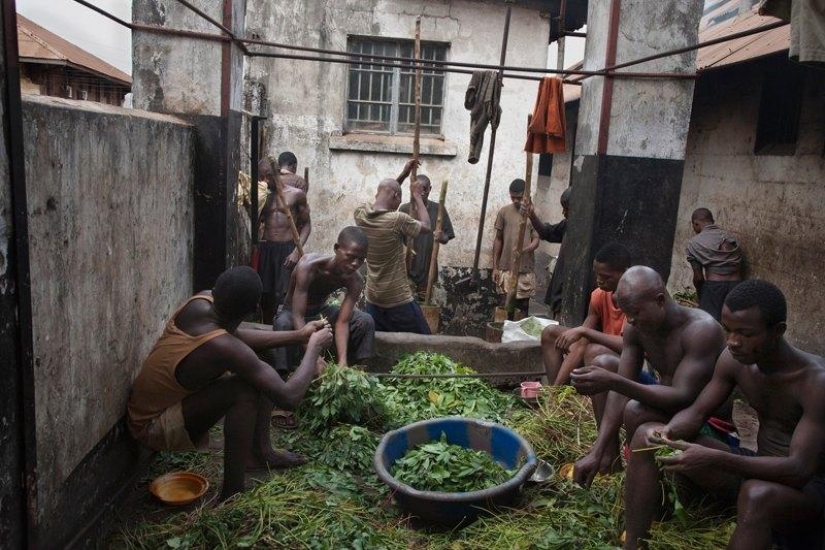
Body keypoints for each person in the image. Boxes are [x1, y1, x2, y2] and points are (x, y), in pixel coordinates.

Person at [624, 280, 825, 550]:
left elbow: (799, 470)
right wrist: (668, 434)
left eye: (745, 333)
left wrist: (714, 457)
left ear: (778, 331)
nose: (732, 342)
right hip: (753, 466)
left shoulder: (815, 383)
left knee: (757, 495)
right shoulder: (734, 361)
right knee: (646, 437)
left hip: (808, 490)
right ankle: (633, 544)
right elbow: (696, 414)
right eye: (728, 329)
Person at [126, 266, 333, 500]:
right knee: (243, 391)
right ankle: (232, 492)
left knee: (264, 355)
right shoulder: (222, 346)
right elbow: (288, 398)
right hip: (151, 427)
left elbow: (236, 338)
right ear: (253, 311)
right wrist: (314, 348)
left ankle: (260, 452)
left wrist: (299, 335)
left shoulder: (202, 302)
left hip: (157, 407)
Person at [570, 266, 727, 488]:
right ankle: (608, 461)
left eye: (635, 312)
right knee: (604, 364)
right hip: (664, 402)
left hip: (703, 420)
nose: (630, 320)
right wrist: (597, 449)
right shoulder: (636, 327)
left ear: (660, 300)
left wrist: (614, 381)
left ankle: (645, 481)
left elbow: (682, 397)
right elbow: (620, 387)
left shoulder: (701, 331)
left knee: (635, 409)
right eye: (627, 314)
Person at [272, 226, 375, 372]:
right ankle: (283, 375)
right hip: (292, 312)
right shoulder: (308, 266)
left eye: (361, 259)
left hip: (321, 312)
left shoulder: (355, 280)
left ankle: (357, 369)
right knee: (283, 324)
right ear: (336, 249)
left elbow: (342, 321)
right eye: (350, 256)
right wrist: (314, 357)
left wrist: (342, 362)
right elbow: (297, 316)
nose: (355, 264)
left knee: (364, 320)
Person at [354, 160, 432, 333]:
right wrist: (417, 196)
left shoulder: (360, 214)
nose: (398, 204)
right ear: (396, 196)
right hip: (397, 298)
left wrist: (403, 175)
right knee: (425, 341)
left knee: (379, 341)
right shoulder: (397, 220)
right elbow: (427, 226)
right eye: (399, 199)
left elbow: (385, 194)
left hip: (373, 297)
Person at [540, 242, 631, 387]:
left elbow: (628, 346)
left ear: (625, 273)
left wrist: (585, 332)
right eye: (597, 274)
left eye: (606, 277)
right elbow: (581, 341)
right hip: (602, 349)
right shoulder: (599, 295)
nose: (599, 280)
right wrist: (555, 389)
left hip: (627, 360)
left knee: (592, 350)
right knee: (550, 333)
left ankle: (560, 393)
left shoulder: (634, 300)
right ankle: (558, 391)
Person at [257, 157, 311, 323]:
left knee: (286, 293)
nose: (265, 181)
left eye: (267, 176)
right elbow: (257, 221)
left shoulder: (296, 195)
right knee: (265, 294)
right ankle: (266, 328)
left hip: (287, 248)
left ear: (276, 173)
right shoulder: (262, 196)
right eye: (261, 177)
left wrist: (296, 251)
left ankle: (286, 327)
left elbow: (307, 225)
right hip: (267, 248)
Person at [398, 175, 455, 297]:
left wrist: (441, 237)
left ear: (430, 189)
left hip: (428, 268)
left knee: (424, 302)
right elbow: (397, 239)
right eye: (419, 189)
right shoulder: (404, 209)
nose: (422, 192)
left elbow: (447, 237)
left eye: (425, 189)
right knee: (406, 304)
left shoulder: (439, 209)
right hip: (407, 268)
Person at [492, 179, 540, 318]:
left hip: (525, 269)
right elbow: (498, 239)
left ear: (527, 196)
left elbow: (536, 240)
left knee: (523, 307)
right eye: (513, 197)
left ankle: (520, 331)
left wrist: (524, 250)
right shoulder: (504, 212)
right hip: (506, 268)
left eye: (519, 197)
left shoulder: (533, 214)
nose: (516, 201)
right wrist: (495, 267)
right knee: (504, 305)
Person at [687, 207, 743, 322]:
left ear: (696, 224)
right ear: (712, 221)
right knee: (732, 324)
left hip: (714, 287)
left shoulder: (694, 243)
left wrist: (701, 297)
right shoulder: (732, 237)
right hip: (737, 286)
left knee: (709, 324)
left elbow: (698, 278)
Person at [524, 186, 571, 319]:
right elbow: (547, 233)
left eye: (567, 209)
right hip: (559, 293)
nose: (563, 212)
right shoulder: (567, 225)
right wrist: (532, 215)